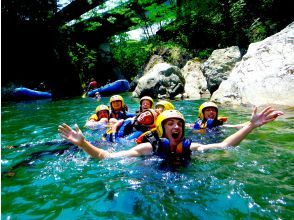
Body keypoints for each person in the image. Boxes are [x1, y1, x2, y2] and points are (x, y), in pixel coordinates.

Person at [58, 106, 283, 167]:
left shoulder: (190, 146)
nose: (176, 127)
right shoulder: (148, 148)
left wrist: (251, 126)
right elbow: (105, 156)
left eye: (179, 124)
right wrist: (83, 142)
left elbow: (223, 145)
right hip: (150, 177)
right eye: (170, 124)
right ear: (161, 130)